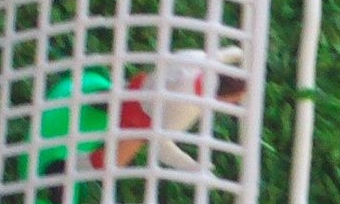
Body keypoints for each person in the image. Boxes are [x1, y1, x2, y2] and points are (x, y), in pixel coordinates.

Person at [95, 45, 248, 175]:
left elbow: (222, 55)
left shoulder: (199, 58)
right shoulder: (185, 110)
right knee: (110, 164)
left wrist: (240, 52)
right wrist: (192, 166)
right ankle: (81, 165)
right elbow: (161, 146)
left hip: (140, 85)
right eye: (234, 101)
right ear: (222, 98)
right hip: (138, 116)